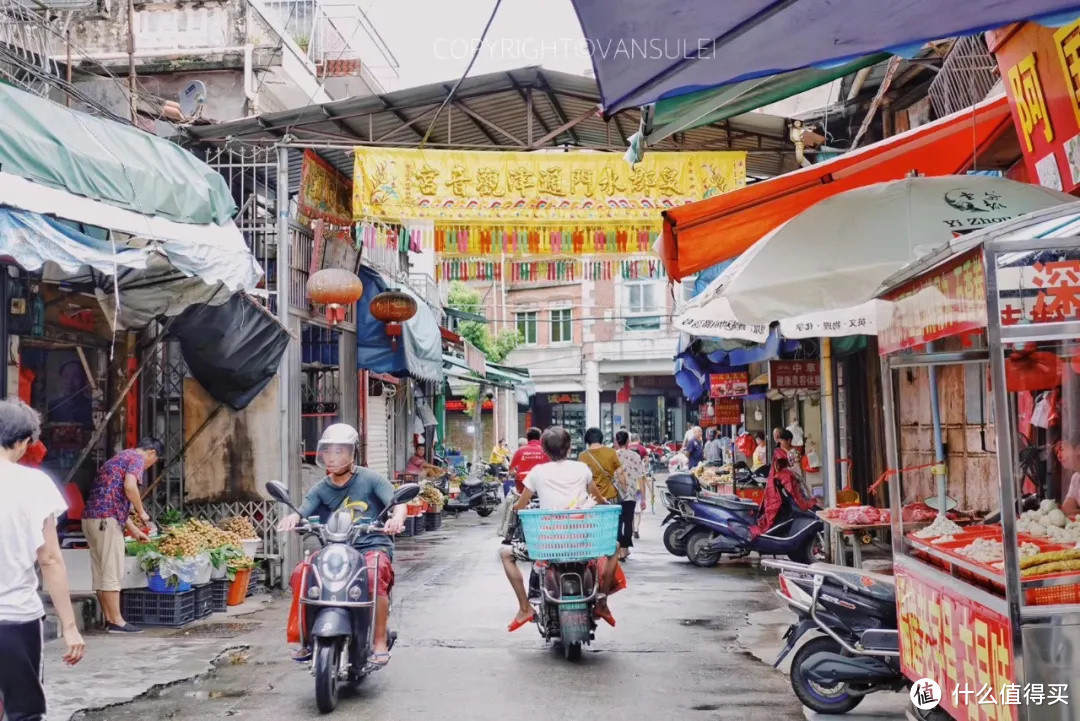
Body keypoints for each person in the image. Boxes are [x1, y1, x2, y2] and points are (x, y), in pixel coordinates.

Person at [278, 424, 407, 666]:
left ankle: (379, 640)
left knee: (373, 574)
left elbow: (397, 502)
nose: (333, 457)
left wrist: (396, 518)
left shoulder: (370, 479)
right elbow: (302, 511)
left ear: (352, 453)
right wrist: (293, 517)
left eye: (340, 451)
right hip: (335, 551)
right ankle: (301, 637)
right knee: (301, 573)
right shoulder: (320, 488)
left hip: (372, 545)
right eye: (328, 451)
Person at [0, 400, 85, 721]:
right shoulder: (34, 484)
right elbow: (50, 559)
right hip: (15, 620)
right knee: (23, 712)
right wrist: (69, 627)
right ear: (22, 442)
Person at [501, 427, 611, 632]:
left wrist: (516, 508)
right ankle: (602, 603)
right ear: (569, 448)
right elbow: (599, 499)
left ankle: (525, 608)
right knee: (614, 548)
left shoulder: (537, 472)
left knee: (506, 554)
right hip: (583, 541)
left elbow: (521, 505)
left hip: (549, 544)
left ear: (544, 450)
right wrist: (609, 503)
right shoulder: (582, 469)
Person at [81, 437, 160, 633]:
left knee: (100, 572)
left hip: (91, 520)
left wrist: (135, 531)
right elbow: (130, 486)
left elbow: (112, 499)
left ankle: (109, 619)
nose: (149, 466)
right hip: (106, 522)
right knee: (112, 570)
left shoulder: (119, 458)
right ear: (151, 452)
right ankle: (117, 620)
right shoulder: (136, 458)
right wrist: (141, 511)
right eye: (154, 461)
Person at [751, 449, 816, 539]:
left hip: (778, 501)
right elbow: (793, 492)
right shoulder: (785, 474)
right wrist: (803, 503)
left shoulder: (784, 473)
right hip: (777, 502)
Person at [614, 431, 648, 556]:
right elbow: (641, 477)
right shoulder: (636, 456)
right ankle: (625, 548)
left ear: (617, 442)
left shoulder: (613, 455)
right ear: (628, 442)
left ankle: (618, 550)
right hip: (631, 494)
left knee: (617, 522)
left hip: (616, 494)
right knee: (628, 522)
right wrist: (643, 498)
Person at [579, 427, 621, 505]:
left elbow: (581, 479)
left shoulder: (582, 456)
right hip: (610, 495)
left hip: (592, 499)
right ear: (601, 438)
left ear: (587, 440)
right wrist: (624, 489)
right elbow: (620, 473)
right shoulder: (611, 452)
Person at [508, 427, 548, 495]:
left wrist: (512, 472)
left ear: (527, 437)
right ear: (539, 437)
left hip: (522, 483)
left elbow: (511, 467)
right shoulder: (545, 451)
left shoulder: (520, 450)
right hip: (540, 484)